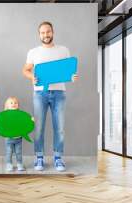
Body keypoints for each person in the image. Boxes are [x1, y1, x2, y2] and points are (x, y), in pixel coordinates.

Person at [22, 21, 78, 172]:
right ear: (39, 34)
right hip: (40, 93)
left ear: (53, 32)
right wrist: (31, 77)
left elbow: (68, 71)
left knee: (59, 128)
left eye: (48, 32)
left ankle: (58, 158)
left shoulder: (63, 50)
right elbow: (26, 70)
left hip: (59, 93)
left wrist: (71, 76)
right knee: (39, 127)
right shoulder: (33, 52)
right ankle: (39, 157)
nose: (45, 35)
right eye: (42, 32)